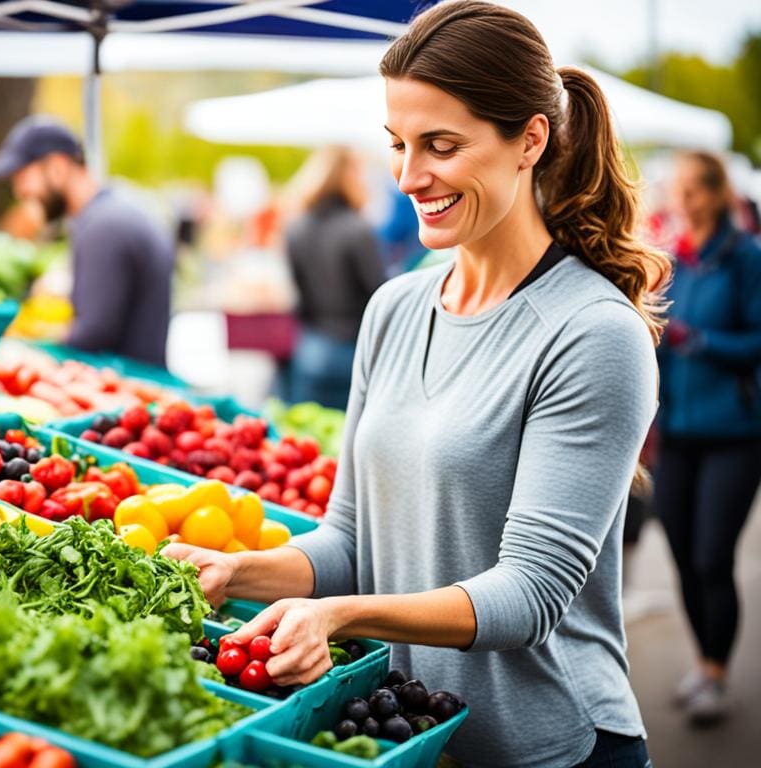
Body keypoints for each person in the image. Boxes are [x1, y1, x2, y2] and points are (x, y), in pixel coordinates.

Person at [165, 2, 671, 766]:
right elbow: (350, 541)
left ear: (529, 139)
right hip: (414, 735)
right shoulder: (395, 307)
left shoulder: (593, 334)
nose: (407, 177)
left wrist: (337, 615)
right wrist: (242, 572)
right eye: (398, 145)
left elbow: (528, 595)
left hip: (551, 744)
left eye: (440, 146)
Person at [654, 151, 761, 725]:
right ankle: (703, 662)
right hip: (679, 432)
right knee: (680, 552)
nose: (683, 200)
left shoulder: (746, 258)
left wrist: (699, 342)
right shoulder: (676, 260)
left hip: (736, 433)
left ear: (719, 194)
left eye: (694, 190)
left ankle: (716, 673)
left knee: (712, 555)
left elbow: (755, 342)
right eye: (678, 190)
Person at [0, 115, 174, 368]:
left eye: (23, 176)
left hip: (126, 388)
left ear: (57, 167)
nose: (20, 192)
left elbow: (93, 333)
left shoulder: (104, 227)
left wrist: (30, 346)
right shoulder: (114, 211)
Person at [283, 146, 386, 410]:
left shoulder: (296, 229)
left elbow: (299, 294)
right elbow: (378, 293)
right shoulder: (358, 229)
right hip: (350, 350)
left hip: (310, 347)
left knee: (306, 436)